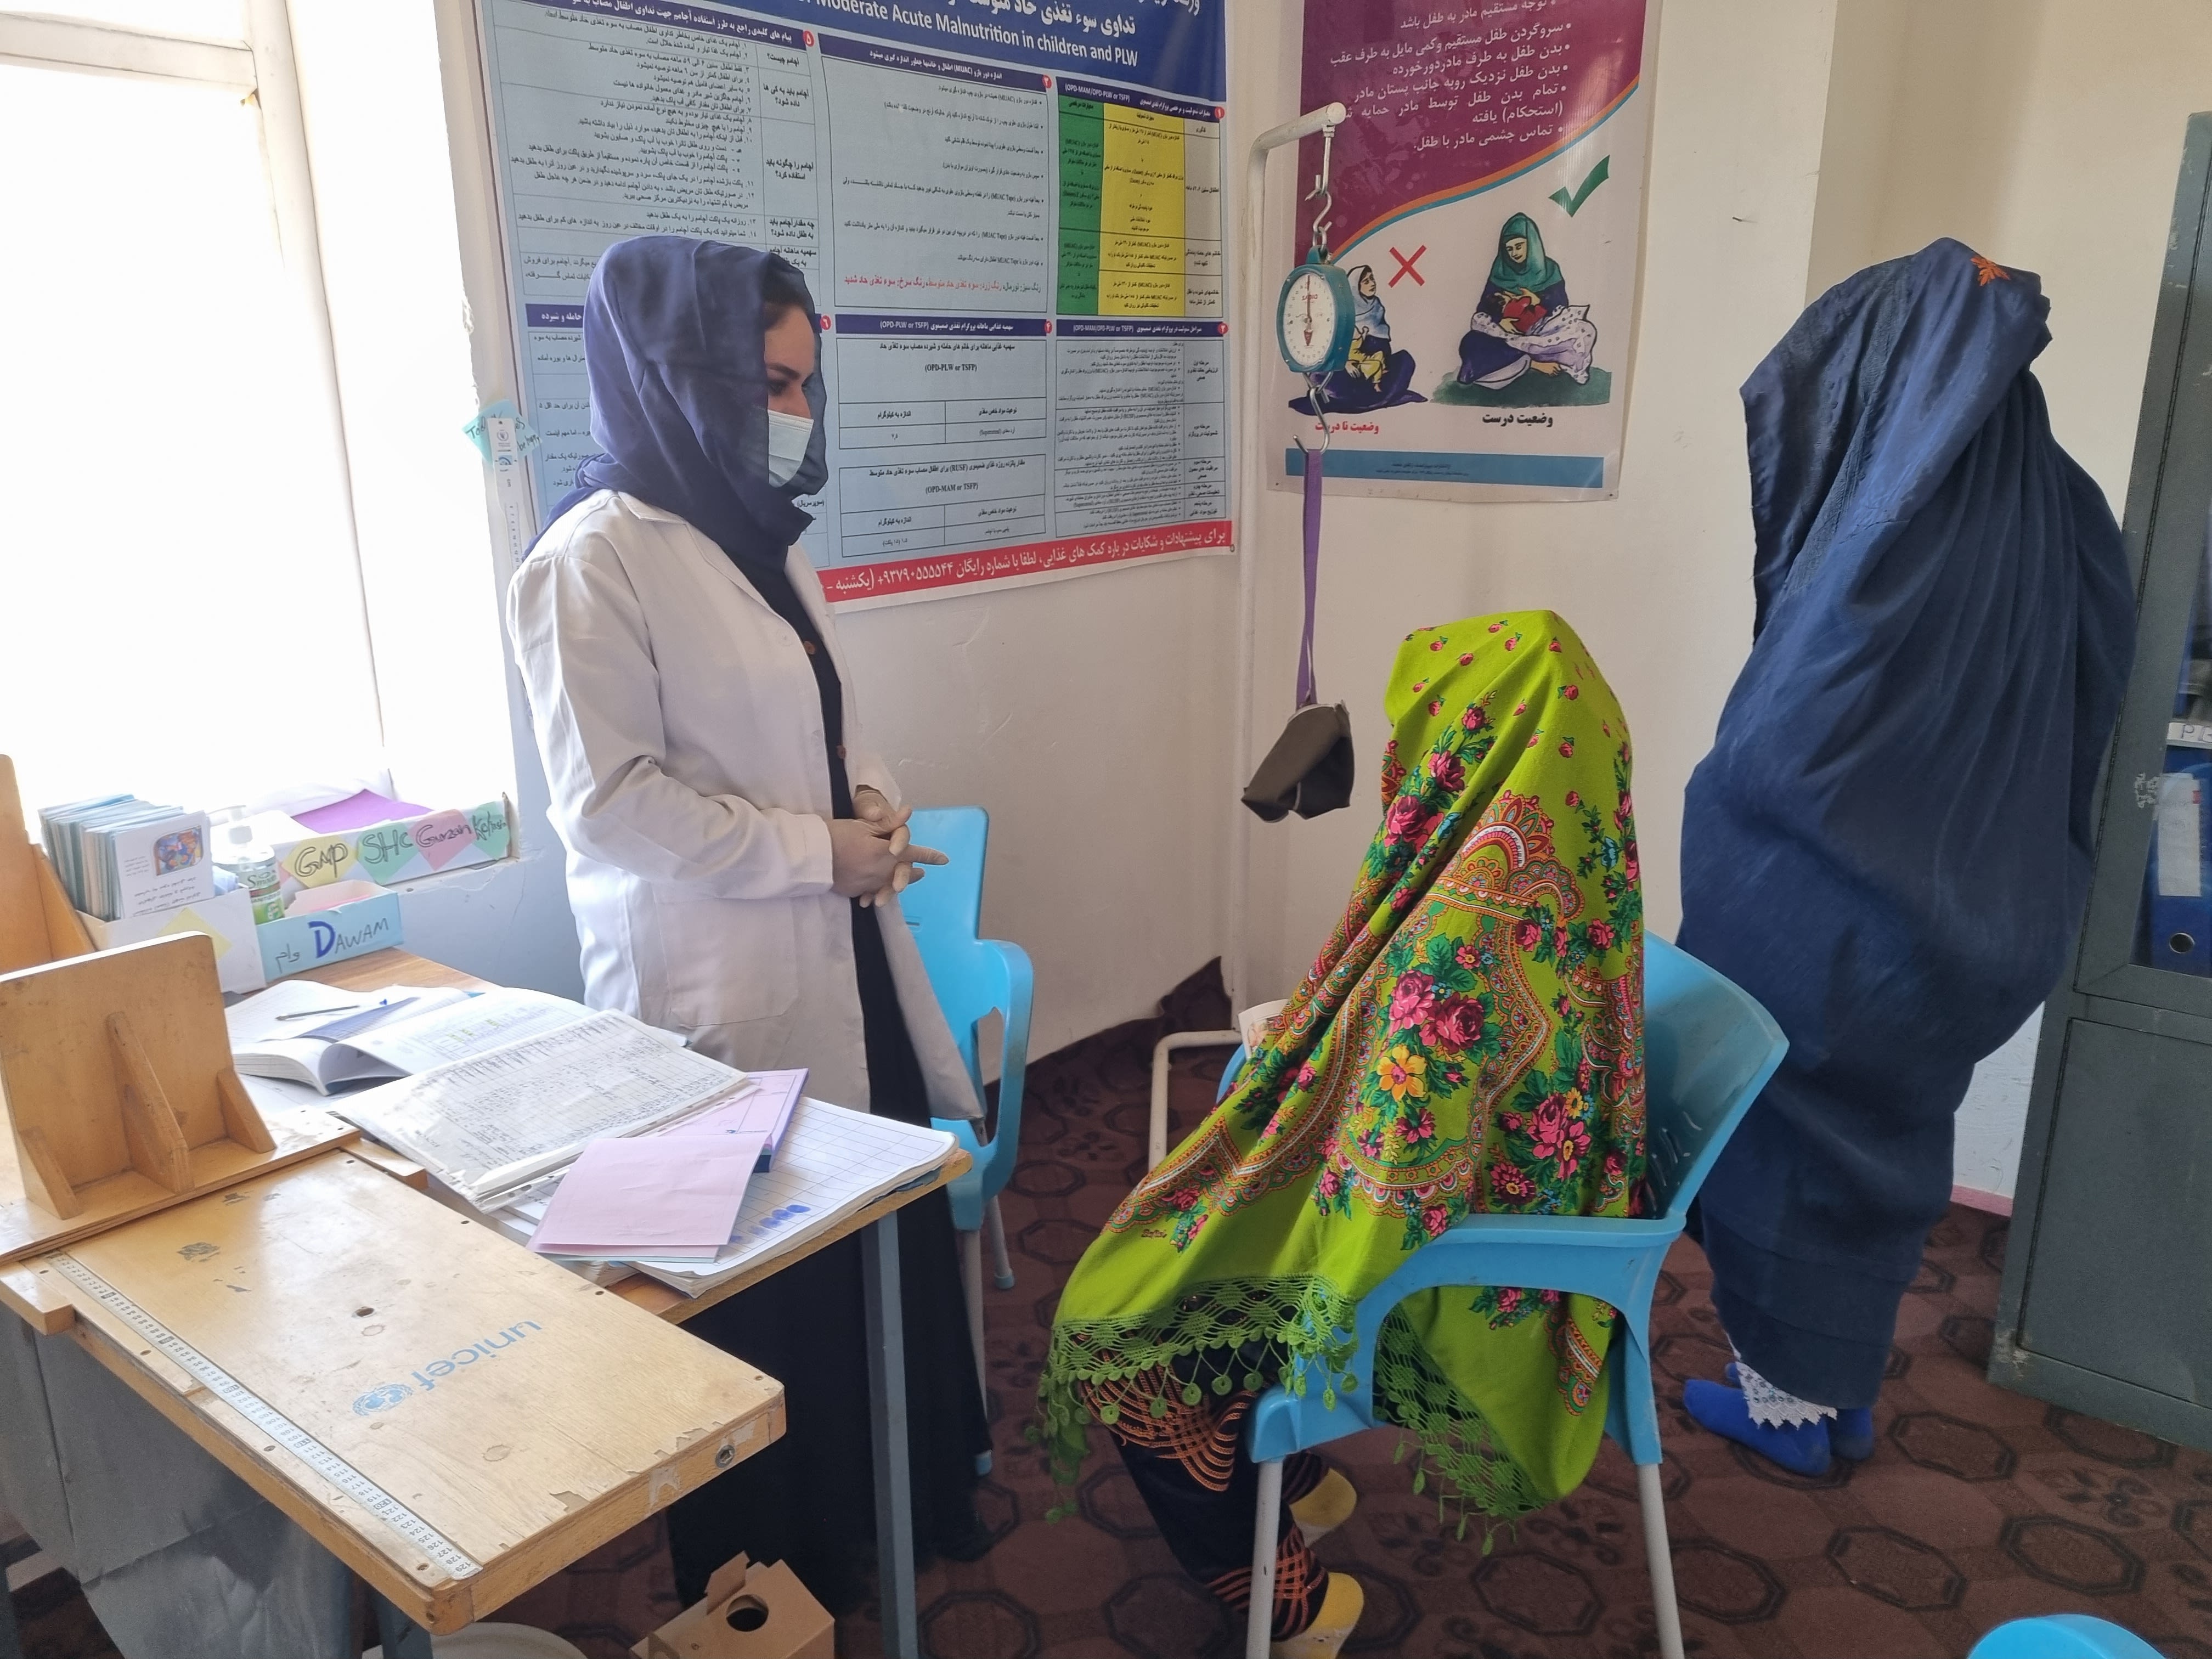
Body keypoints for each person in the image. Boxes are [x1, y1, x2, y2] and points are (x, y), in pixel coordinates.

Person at [507, 235, 992, 1607]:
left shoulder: (754, 532)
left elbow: (827, 715)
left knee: (875, 1246)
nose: (795, 413)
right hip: (718, 990)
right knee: (762, 1305)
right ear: (682, 377)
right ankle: (778, 1571)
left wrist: (871, 804)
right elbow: (609, 807)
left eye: (805, 386)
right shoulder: (588, 563)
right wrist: (811, 850)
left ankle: (904, 1502)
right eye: (771, 384)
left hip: (841, 946)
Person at [1038, 612, 1645, 1658]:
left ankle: (1297, 1607)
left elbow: (1387, 1187)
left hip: (1446, 1270)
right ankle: (1298, 1487)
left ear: (1465, 743)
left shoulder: (1462, 935)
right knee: (1200, 1213)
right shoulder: (1570, 865)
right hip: (1539, 1222)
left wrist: (1261, 1172)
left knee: (1120, 1326)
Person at [1675, 239, 2135, 1475]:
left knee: (1785, 1156)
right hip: (1984, 918)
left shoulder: (1886, 538)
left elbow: (1782, 755)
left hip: (1834, 924)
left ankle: (1788, 1417)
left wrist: (1714, 808)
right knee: (1880, 1158)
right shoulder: (2062, 509)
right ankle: (1841, 1394)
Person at [1455, 212, 1596, 390]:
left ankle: (1532, 358)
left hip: (1542, 333)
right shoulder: (1500, 272)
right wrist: (1501, 322)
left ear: (1532, 244)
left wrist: (1538, 301)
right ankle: (1531, 363)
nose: (1514, 253)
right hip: (1507, 335)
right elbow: (1484, 308)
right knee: (1472, 341)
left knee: (1583, 331)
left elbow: (1561, 305)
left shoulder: (1550, 270)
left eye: (1519, 246)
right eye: (1509, 249)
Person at [1290, 265, 1426, 415]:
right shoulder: (1343, 311)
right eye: (1366, 281)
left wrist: (1379, 363)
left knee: (1405, 360)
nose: (1372, 283)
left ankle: (1374, 393)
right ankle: (1360, 399)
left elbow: (1383, 345)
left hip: (1372, 368)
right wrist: (1346, 363)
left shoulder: (1376, 307)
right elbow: (1330, 346)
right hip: (1347, 369)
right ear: (1356, 287)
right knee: (1330, 378)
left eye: (1372, 279)